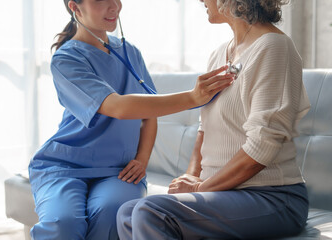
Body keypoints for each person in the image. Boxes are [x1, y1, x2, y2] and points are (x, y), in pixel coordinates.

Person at [28, 0, 234, 239]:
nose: (114, 6)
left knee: (110, 214)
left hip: (118, 170)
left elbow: (149, 113)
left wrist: (142, 159)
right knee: (63, 224)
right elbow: (117, 107)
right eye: (101, 1)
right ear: (75, 7)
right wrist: (193, 97)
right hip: (65, 165)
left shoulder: (130, 53)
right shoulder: (66, 59)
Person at [116, 0, 311, 239]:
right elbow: (204, 129)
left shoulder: (274, 47)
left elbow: (263, 145)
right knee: (127, 212)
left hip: (273, 196)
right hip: (222, 193)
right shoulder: (220, 54)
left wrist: (199, 188)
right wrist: (191, 178)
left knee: (151, 212)